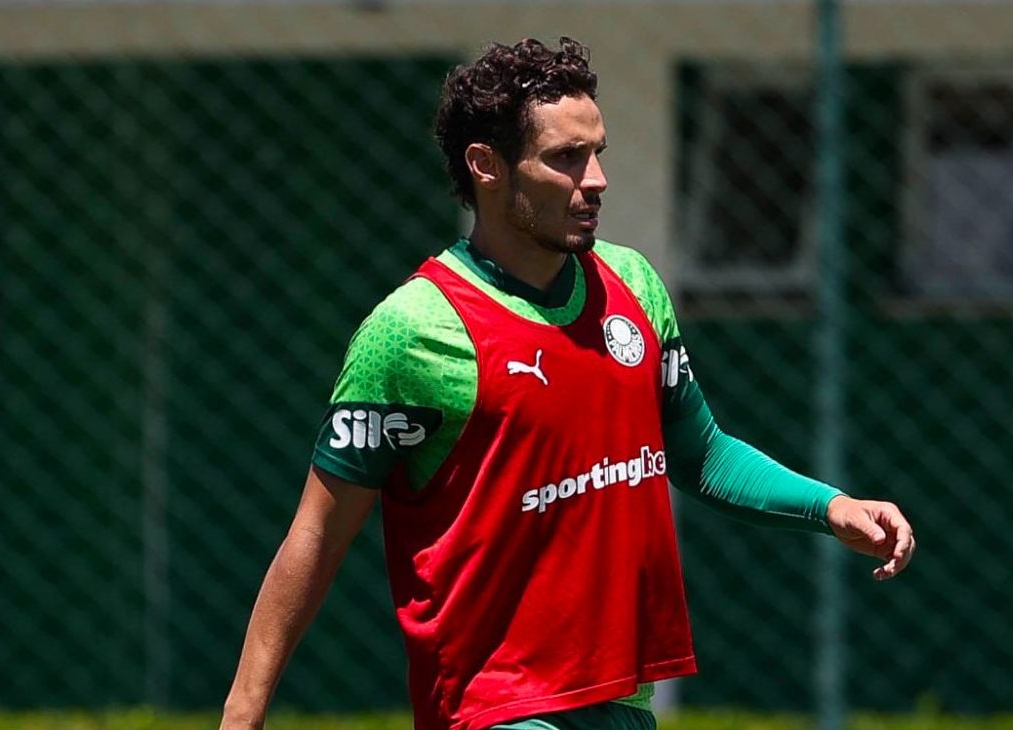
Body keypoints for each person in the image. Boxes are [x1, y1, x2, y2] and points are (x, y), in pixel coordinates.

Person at [220, 36, 916, 730]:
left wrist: (830, 507)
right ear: (487, 167)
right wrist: (242, 715)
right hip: (499, 708)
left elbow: (699, 452)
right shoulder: (412, 331)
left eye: (598, 152)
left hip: (622, 703)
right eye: (565, 158)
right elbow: (317, 533)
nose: (597, 180)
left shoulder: (634, 286)